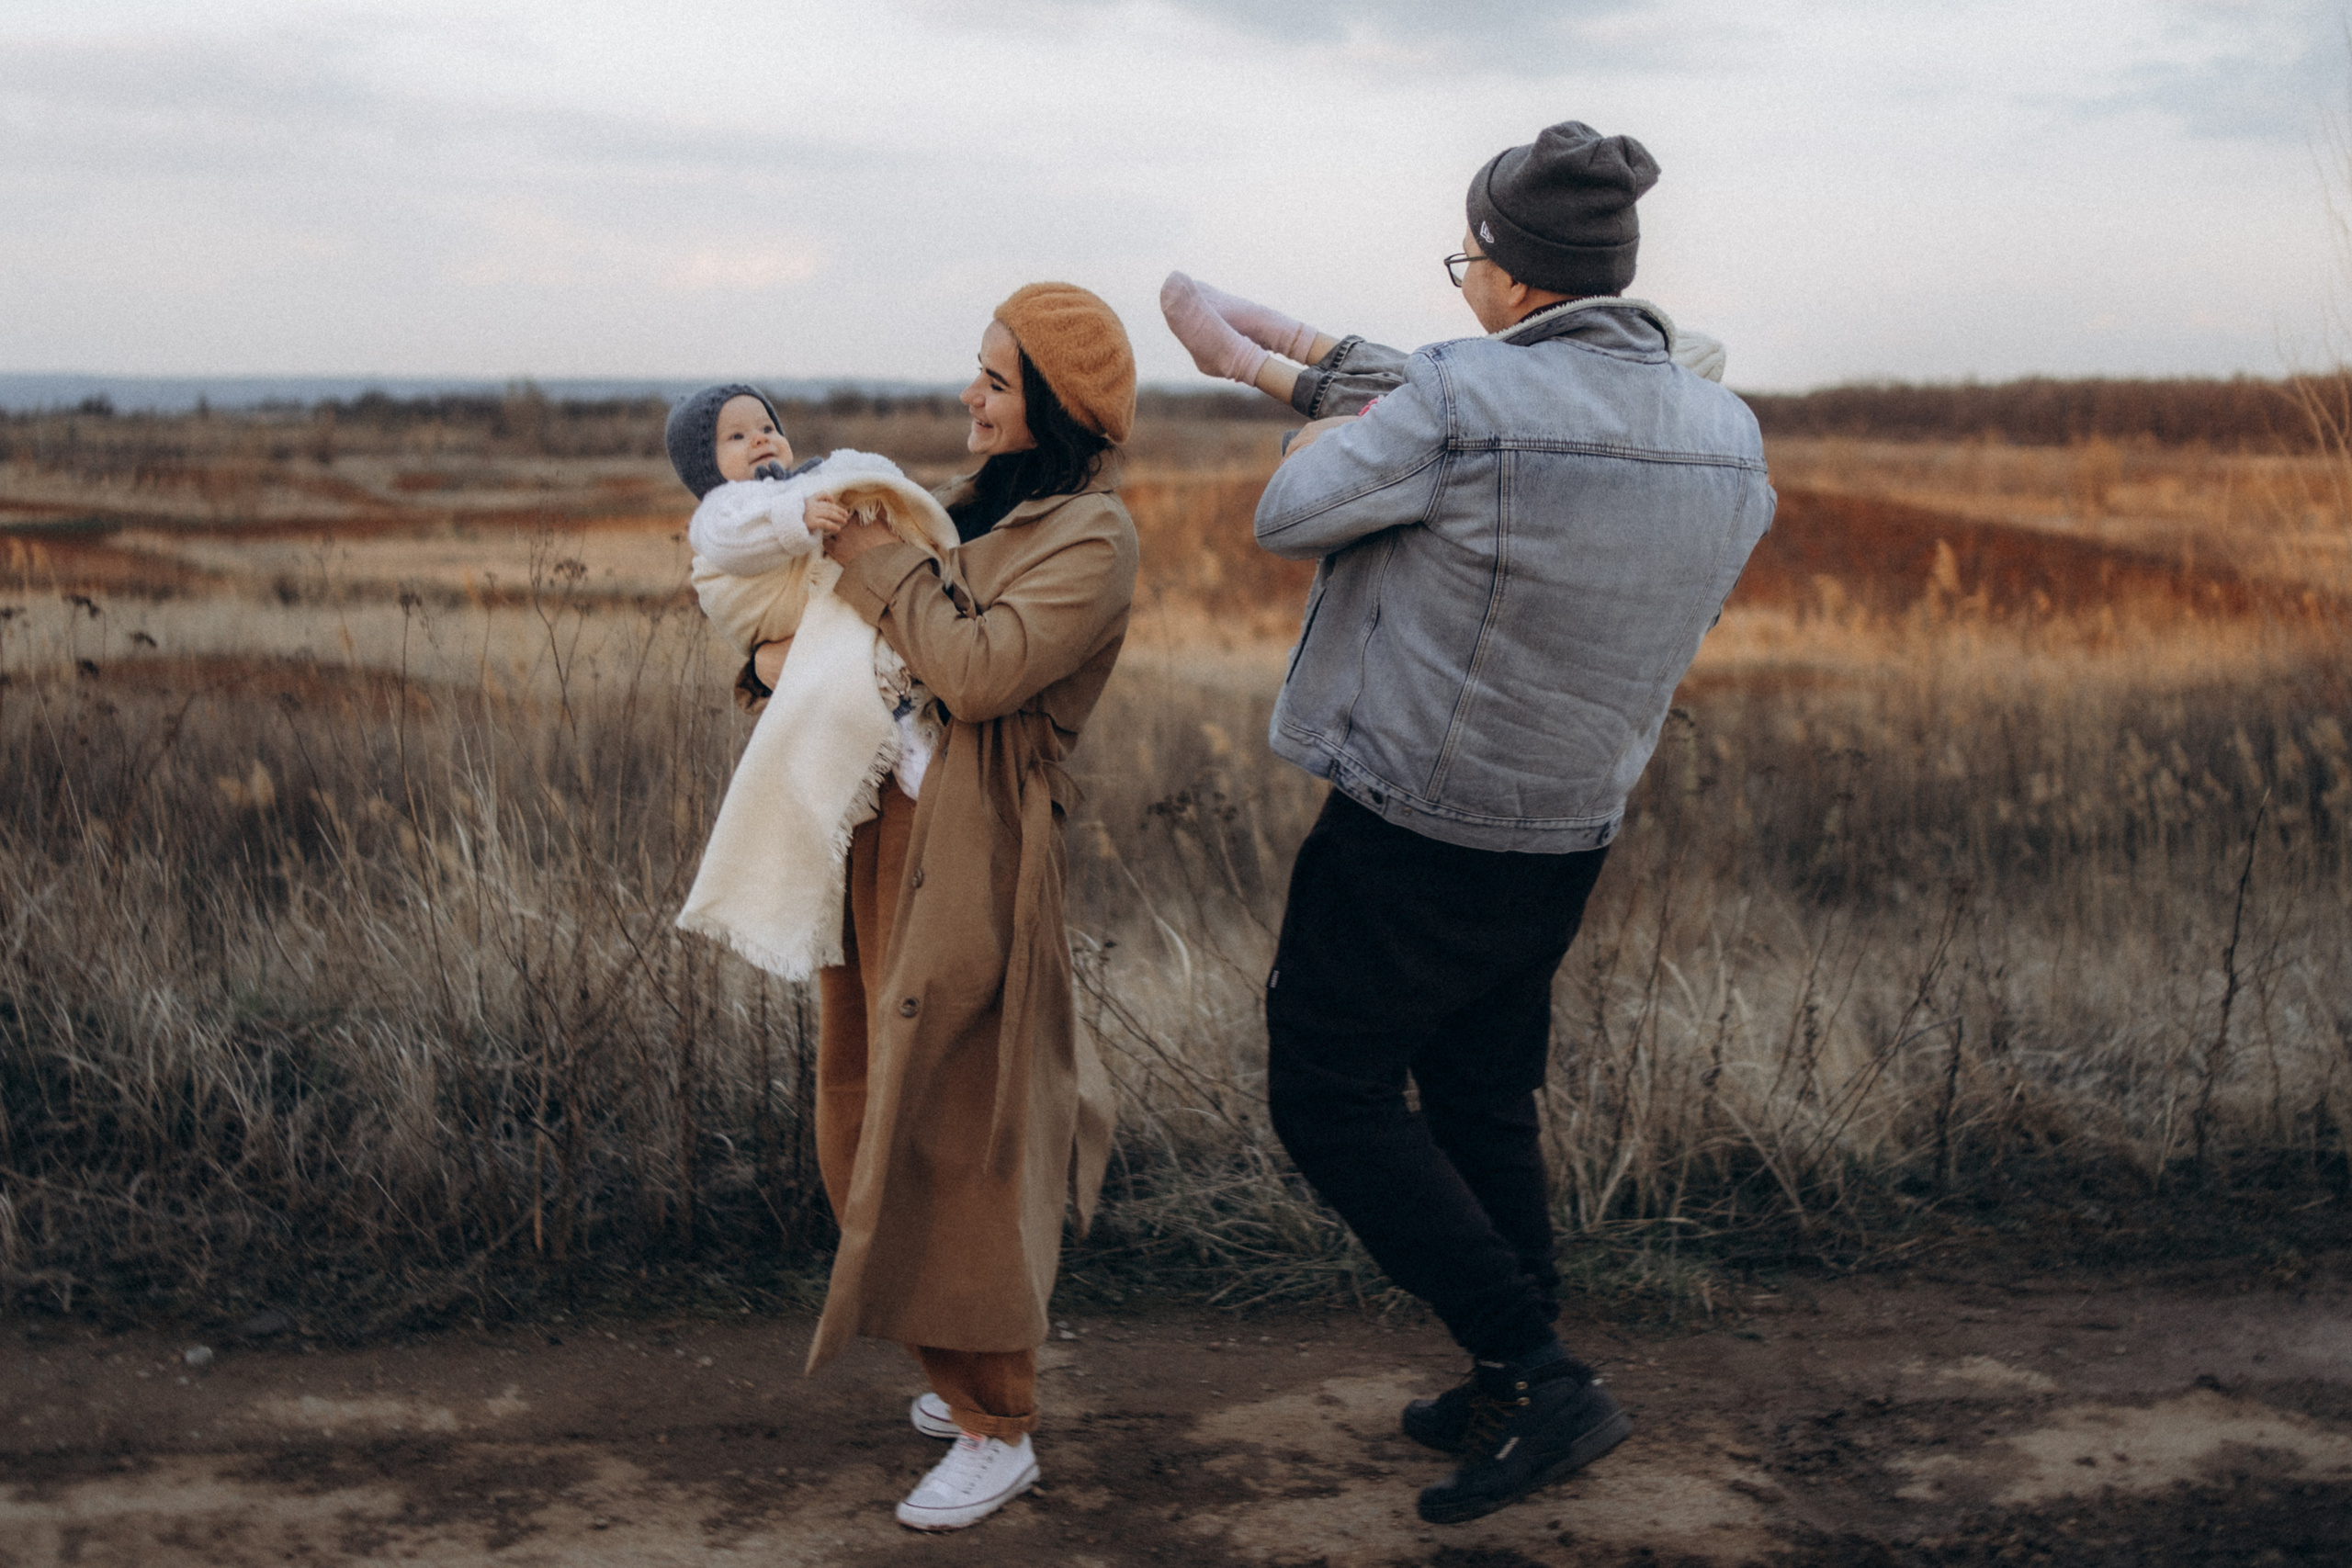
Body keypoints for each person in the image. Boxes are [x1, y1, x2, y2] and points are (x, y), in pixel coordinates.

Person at [1204, 121, 1775, 1526]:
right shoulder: (1726, 429)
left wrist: (1334, 423)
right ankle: (1512, 1371)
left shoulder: (1460, 394)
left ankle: (1537, 1364)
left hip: (1415, 818)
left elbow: (1289, 514)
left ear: (1515, 275)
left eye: (1466, 258)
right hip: (1571, 822)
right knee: (1477, 1092)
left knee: (1326, 1091)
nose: (1462, 282)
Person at [747, 285, 1139, 1533]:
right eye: (977, 369)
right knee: (864, 1110)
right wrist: (774, 650)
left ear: (1056, 409)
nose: (970, 394)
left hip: (971, 857)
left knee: (958, 1138)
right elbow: (874, 652)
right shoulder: (975, 510)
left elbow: (972, 672)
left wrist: (874, 559)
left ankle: (996, 1423)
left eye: (996, 380)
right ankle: (953, 1362)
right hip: (874, 836)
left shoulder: (1092, 536)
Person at [663, 386, 958, 980]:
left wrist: (864, 482)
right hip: (791, 608)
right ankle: (903, 738)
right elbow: (731, 543)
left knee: (864, 659)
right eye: (736, 436)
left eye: (766, 426)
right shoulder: (726, 507)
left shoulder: (800, 485)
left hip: (824, 635)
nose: (760, 439)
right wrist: (796, 520)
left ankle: (904, 731)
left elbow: (854, 484)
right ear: (705, 466)